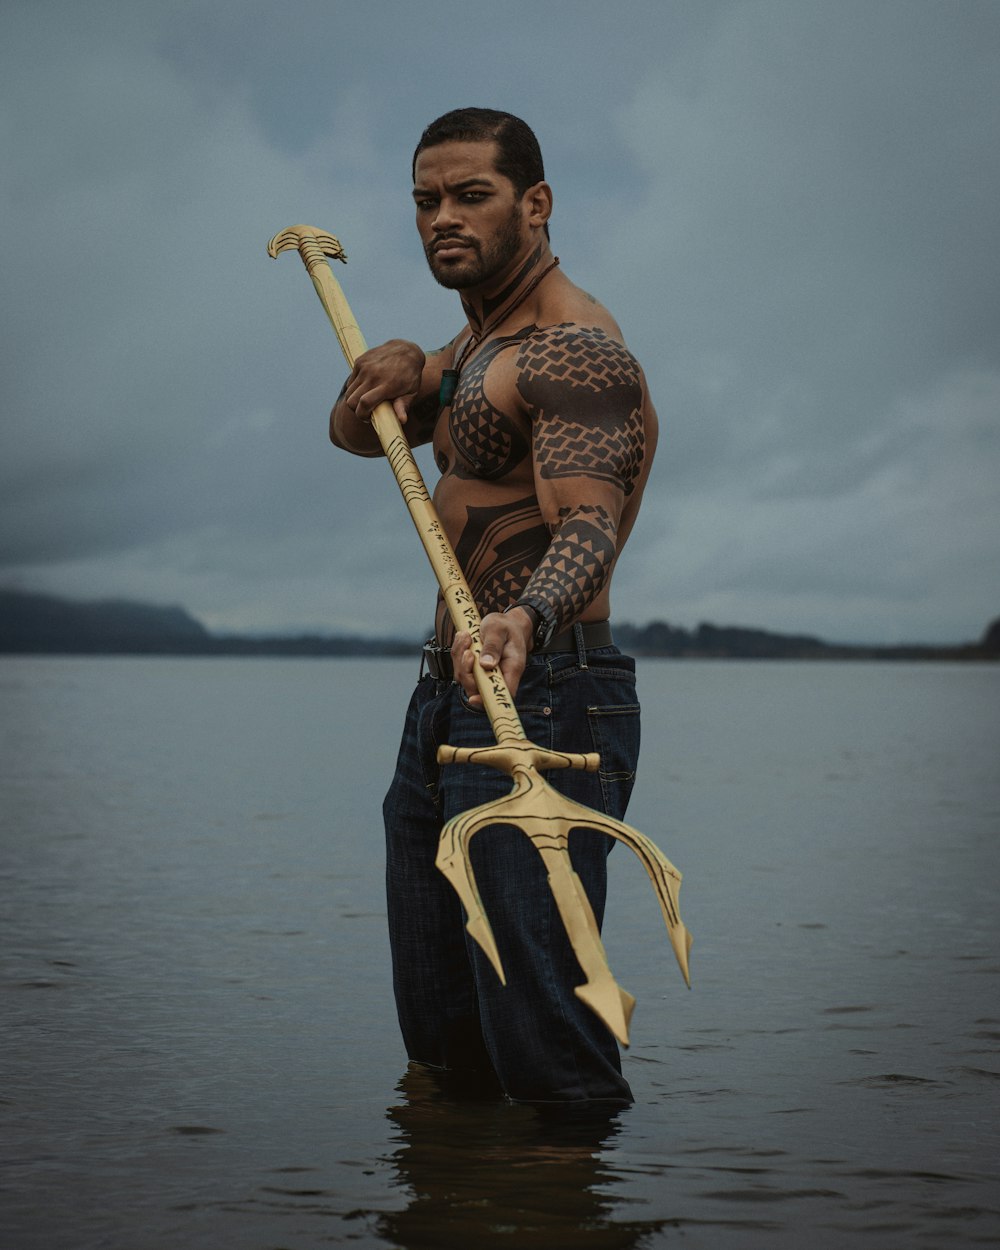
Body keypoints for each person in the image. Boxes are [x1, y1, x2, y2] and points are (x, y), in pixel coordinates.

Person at [329, 108, 658, 1105]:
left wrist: (526, 619)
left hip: (544, 694)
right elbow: (359, 431)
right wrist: (389, 363)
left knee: (546, 1033)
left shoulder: (574, 349)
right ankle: (463, 1203)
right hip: (444, 700)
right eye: (426, 200)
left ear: (536, 203)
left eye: (470, 195)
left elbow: (588, 523)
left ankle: (570, 1201)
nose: (442, 218)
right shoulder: (476, 345)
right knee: (443, 1041)